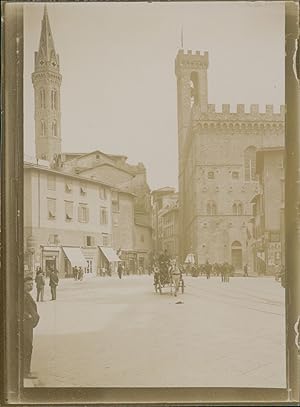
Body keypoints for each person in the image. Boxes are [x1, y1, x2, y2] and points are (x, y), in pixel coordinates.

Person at [24, 275, 40, 379]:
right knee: (27, 347)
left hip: (29, 325)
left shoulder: (26, 294)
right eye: (28, 284)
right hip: (25, 326)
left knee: (28, 347)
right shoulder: (22, 296)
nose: (31, 286)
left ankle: (26, 370)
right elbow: (18, 309)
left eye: (32, 284)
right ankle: (25, 372)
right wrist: (29, 316)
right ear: (23, 285)